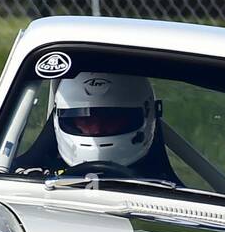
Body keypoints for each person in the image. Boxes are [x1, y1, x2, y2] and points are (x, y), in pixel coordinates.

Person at [15, 73, 182, 183]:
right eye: (84, 119)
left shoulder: (165, 188)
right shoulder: (30, 178)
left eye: (110, 118)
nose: (95, 129)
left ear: (145, 115)